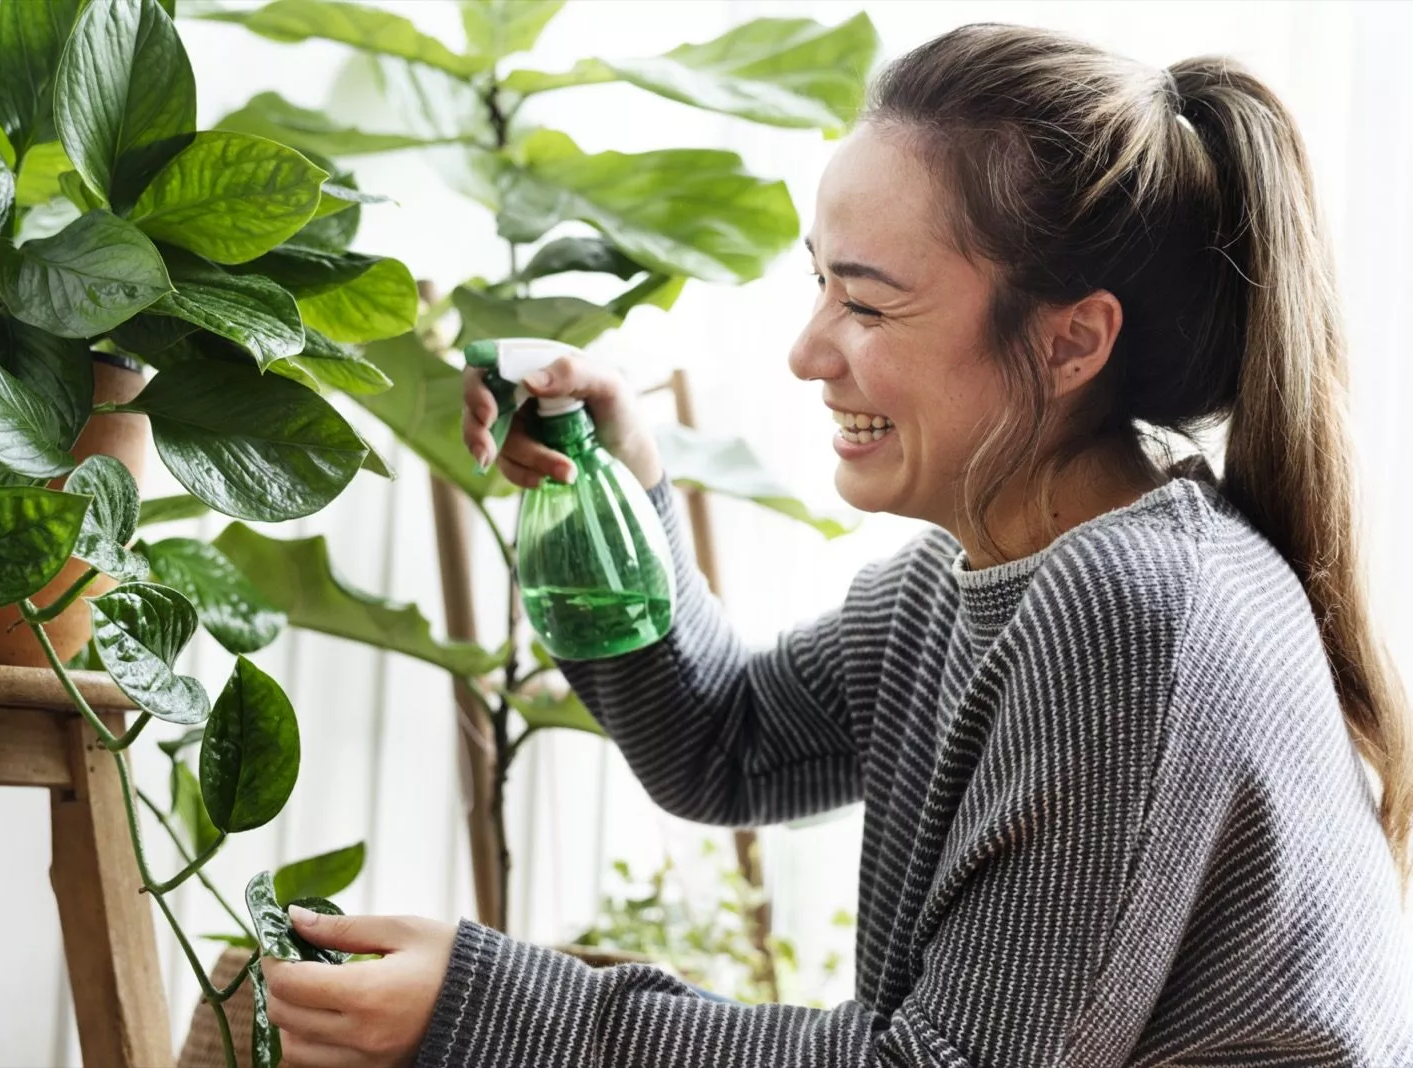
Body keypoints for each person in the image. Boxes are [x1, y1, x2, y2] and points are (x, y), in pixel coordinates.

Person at [258, 23, 1413, 1067]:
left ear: (1071, 344)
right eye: (820, 283)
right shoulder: (962, 582)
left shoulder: (1141, 611)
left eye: (866, 304)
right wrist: (618, 486)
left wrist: (488, 1005)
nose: (810, 350)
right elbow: (721, 746)